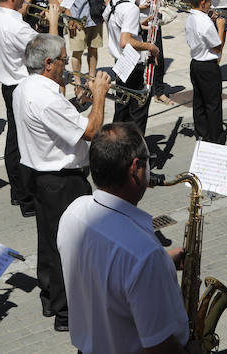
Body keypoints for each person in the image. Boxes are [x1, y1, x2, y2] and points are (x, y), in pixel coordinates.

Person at [58, 122, 194, 354]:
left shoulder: (73, 211)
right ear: (135, 168)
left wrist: (163, 262)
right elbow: (160, 348)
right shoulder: (144, 255)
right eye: (148, 159)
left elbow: (103, 273)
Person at [13, 33, 110, 331]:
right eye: (65, 61)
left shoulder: (26, 87)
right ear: (48, 63)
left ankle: (51, 300)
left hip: (41, 177)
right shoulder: (45, 97)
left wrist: (77, 104)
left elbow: (57, 121)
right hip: (62, 181)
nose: (67, 66)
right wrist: (99, 95)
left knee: (50, 243)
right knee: (71, 247)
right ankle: (67, 313)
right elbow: (92, 131)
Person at [0, 0, 60, 218]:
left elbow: (16, 20)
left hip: (8, 85)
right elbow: (50, 48)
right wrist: (52, 17)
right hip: (21, 86)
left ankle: (18, 193)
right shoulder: (16, 26)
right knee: (25, 144)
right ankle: (27, 198)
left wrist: (27, 1)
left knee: (14, 141)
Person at [103, 0, 158, 134]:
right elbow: (125, 41)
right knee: (137, 117)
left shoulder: (112, 3)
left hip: (121, 64)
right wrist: (150, 47)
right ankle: (137, 154)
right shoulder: (131, 8)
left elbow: (118, 28)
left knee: (122, 114)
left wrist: (139, 27)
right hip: (134, 65)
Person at [185, 0, 226, 143]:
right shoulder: (206, 23)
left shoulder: (191, 18)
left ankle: (201, 132)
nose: (211, 5)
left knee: (199, 101)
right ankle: (215, 136)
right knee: (213, 103)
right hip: (208, 66)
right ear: (203, 3)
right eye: (209, 2)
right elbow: (217, 47)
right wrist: (220, 27)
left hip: (195, 63)